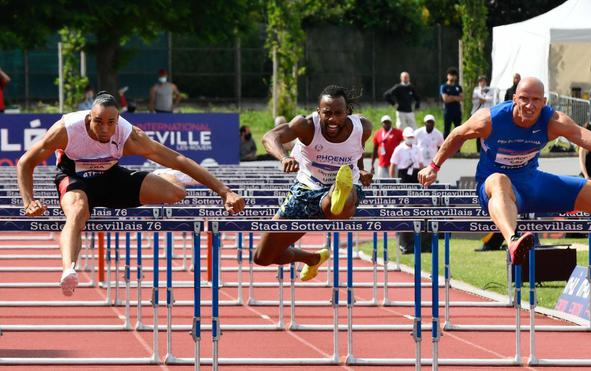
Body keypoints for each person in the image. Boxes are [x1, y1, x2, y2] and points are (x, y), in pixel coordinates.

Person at [17, 91, 245, 296]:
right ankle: (69, 269)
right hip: (74, 178)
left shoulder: (129, 135)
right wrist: (29, 201)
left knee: (176, 193)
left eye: (111, 123)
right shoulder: (66, 130)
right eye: (98, 122)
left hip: (110, 177)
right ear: (89, 118)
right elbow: (25, 162)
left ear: (118, 121)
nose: (105, 129)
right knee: (77, 211)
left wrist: (224, 192)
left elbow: (177, 159)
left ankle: (161, 175)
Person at [418, 77, 591, 265]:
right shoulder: (489, 120)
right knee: (499, 179)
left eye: (536, 100)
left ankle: (555, 212)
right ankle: (513, 242)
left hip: (532, 184)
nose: (529, 105)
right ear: (515, 98)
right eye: (524, 98)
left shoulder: (553, 121)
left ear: (544, 101)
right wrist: (434, 166)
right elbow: (457, 134)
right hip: (497, 188)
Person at [256, 85, 373, 281]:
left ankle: (339, 194)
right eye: (327, 113)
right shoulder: (307, 125)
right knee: (262, 257)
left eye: (338, 113)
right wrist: (284, 158)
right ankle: (313, 258)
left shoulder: (363, 128)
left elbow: (356, 151)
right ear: (319, 111)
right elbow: (270, 137)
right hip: (307, 188)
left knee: (333, 207)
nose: (333, 119)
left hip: (346, 187)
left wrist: (360, 169)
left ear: (347, 112)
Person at [440, 67, 463, 140]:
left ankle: (458, 150)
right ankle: (446, 149)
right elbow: (445, 99)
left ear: (456, 77)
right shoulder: (444, 87)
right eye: (450, 74)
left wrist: (451, 97)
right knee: (447, 130)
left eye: (454, 75)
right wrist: (456, 97)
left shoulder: (458, 87)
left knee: (458, 130)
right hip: (448, 111)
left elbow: (462, 98)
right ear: (447, 76)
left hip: (457, 111)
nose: (452, 76)